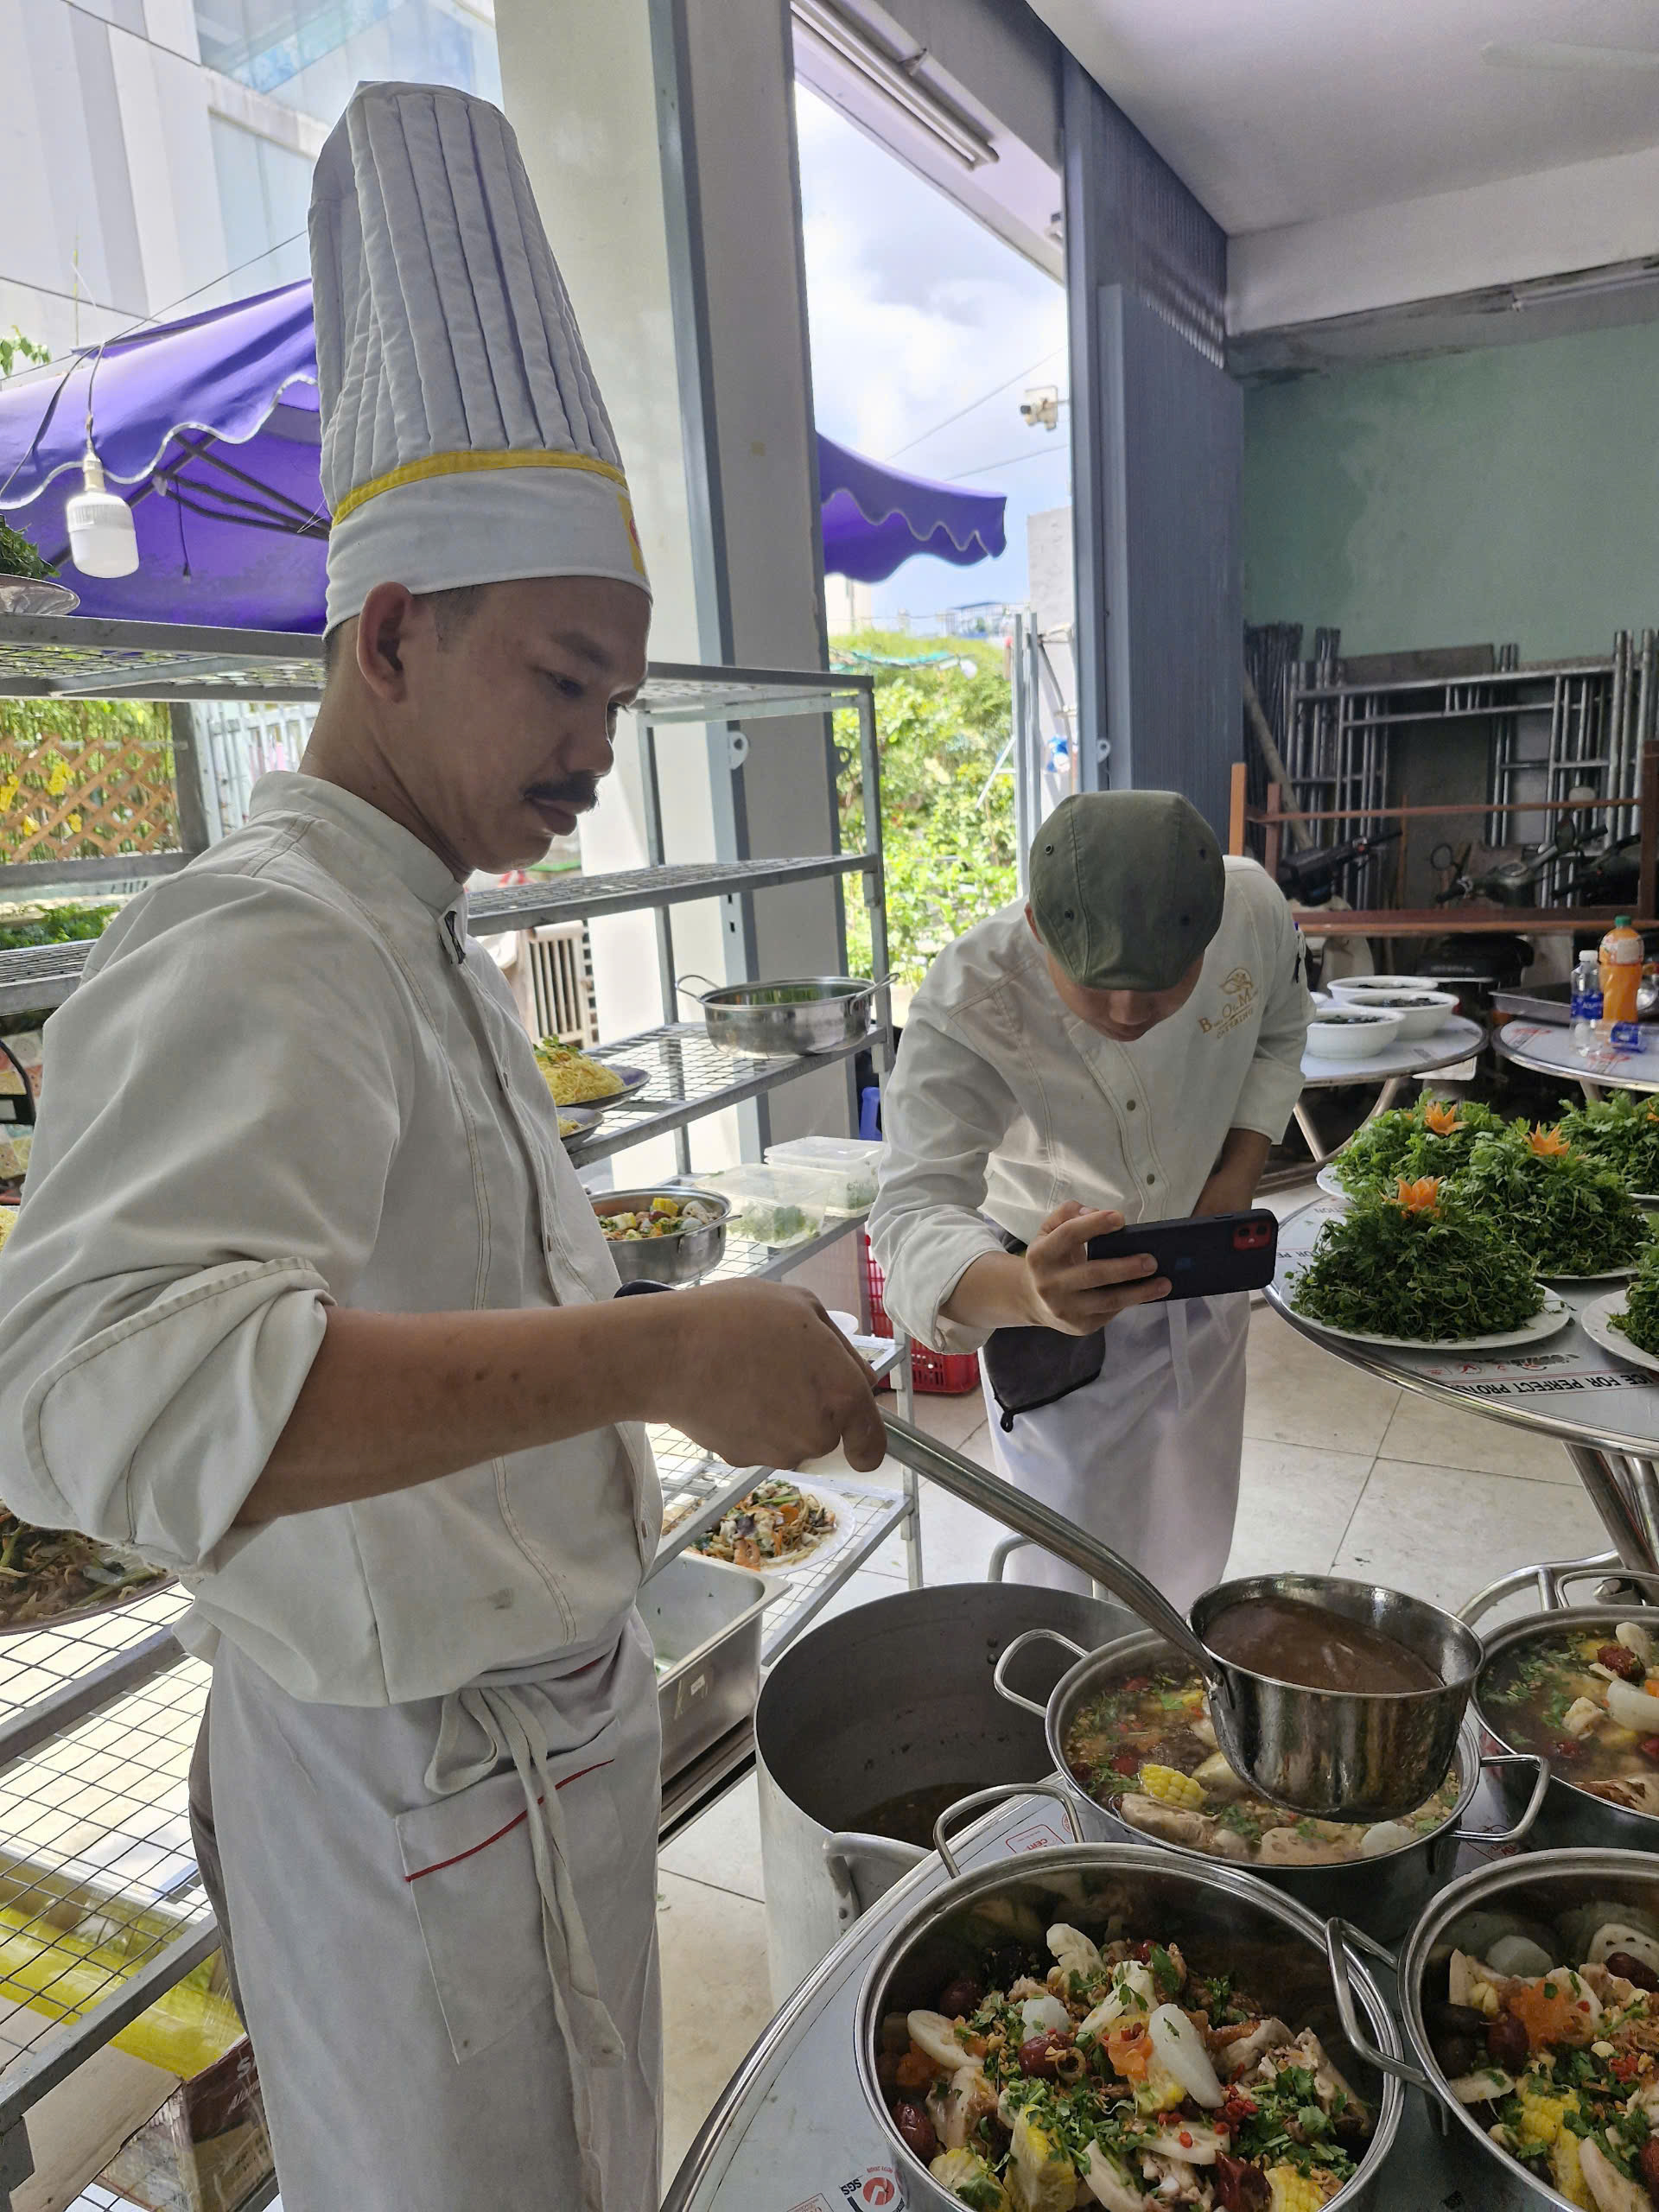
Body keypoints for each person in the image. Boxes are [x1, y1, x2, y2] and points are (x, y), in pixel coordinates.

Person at [0, 82, 884, 2212]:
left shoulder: (416, 928)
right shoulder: (264, 936)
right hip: (403, 1797)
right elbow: (86, 1393)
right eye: (565, 683)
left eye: (617, 701)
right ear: (390, 632)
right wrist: (665, 1350)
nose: (594, 753)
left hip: (523, 1760)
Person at [868, 790, 1310, 1608]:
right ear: (1038, 929)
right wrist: (1026, 1292)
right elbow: (910, 1211)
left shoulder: (1251, 906)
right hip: (1051, 1308)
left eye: (1163, 984)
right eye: (1098, 984)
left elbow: (1282, 1031)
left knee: (1194, 1533)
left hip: (1202, 1274)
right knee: (1068, 1566)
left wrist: (1238, 1171)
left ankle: (1180, 1667)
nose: (1129, 1011)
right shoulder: (970, 999)